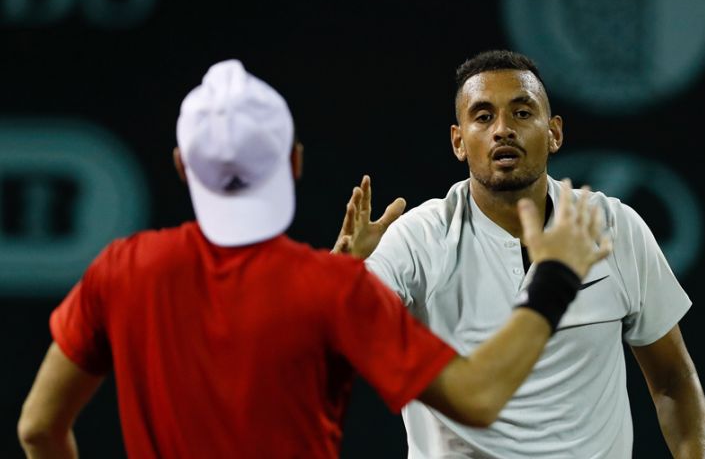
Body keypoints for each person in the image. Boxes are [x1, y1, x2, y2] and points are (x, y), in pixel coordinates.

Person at [18, 59, 611, 459]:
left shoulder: (121, 270)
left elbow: (38, 429)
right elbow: (478, 398)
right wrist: (556, 276)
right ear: (294, 162)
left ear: (181, 165)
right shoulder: (329, 288)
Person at [334, 50, 705, 458]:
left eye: (521, 113)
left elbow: (673, 381)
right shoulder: (417, 238)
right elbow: (335, 340)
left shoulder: (615, 227)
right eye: (483, 116)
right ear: (458, 141)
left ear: (554, 132)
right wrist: (339, 273)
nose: (502, 130)